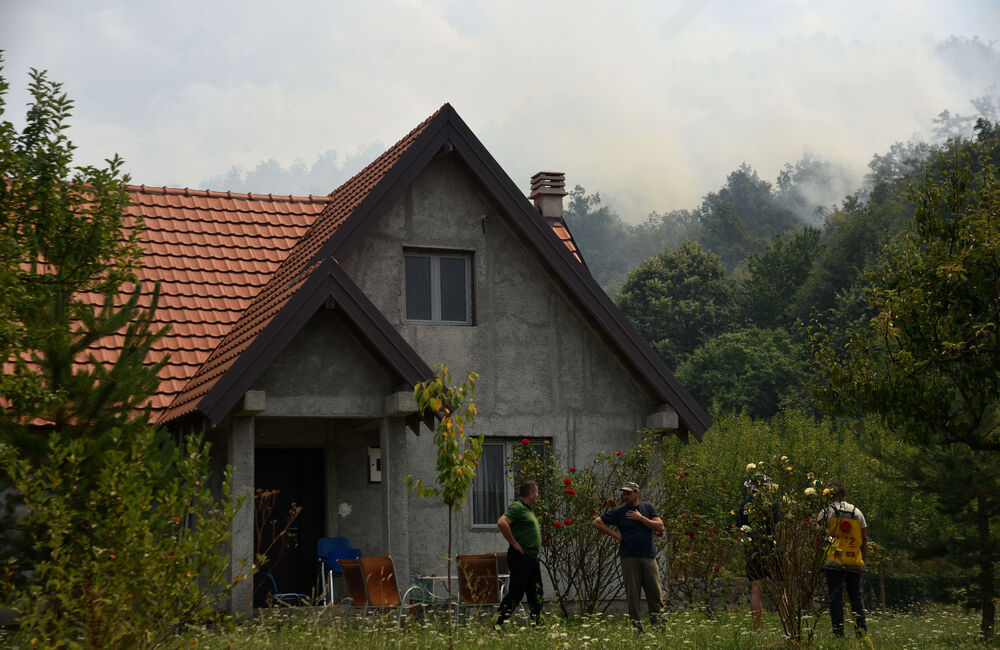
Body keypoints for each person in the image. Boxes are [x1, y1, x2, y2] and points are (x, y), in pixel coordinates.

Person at [592, 481, 665, 632]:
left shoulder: (648, 508)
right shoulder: (619, 511)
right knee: (633, 595)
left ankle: (659, 627)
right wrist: (616, 535)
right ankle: (638, 630)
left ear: (637, 493)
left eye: (629, 493)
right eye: (624, 493)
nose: (625, 496)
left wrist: (641, 518)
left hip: (648, 557)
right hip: (629, 557)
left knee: (655, 594)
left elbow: (660, 527)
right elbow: (597, 523)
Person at [819, 480, 868, 638]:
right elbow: (864, 539)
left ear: (830, 494)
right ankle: (861, 633)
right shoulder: (857, 512)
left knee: (836, 598)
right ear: (844, 494)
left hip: (833, 562)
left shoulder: (826, 512)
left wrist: (820, 558)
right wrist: (862, 560)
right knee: (856, 598)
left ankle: (838, 634)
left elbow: (818, 537)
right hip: (854, 562)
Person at [736, 473, 783, 630]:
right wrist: (782, 549)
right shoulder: (773, 504)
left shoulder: (744, 506)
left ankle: (757, 628)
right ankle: (788, 628)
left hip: (754, 551)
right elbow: (777, 528)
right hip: (772, 549)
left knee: (756, 591)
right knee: (780, 591)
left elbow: (740, 531)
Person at [495, 480, 543, 627]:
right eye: (536, 492)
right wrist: (514, 543)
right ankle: (496, 623)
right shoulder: (518, 507)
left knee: (536, 592)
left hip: (531, 558)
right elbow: (502, 522)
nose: (537, 495)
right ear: (530, 493)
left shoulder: (527, 509)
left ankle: (537, 624)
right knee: (516, 593)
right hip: (521, 558)